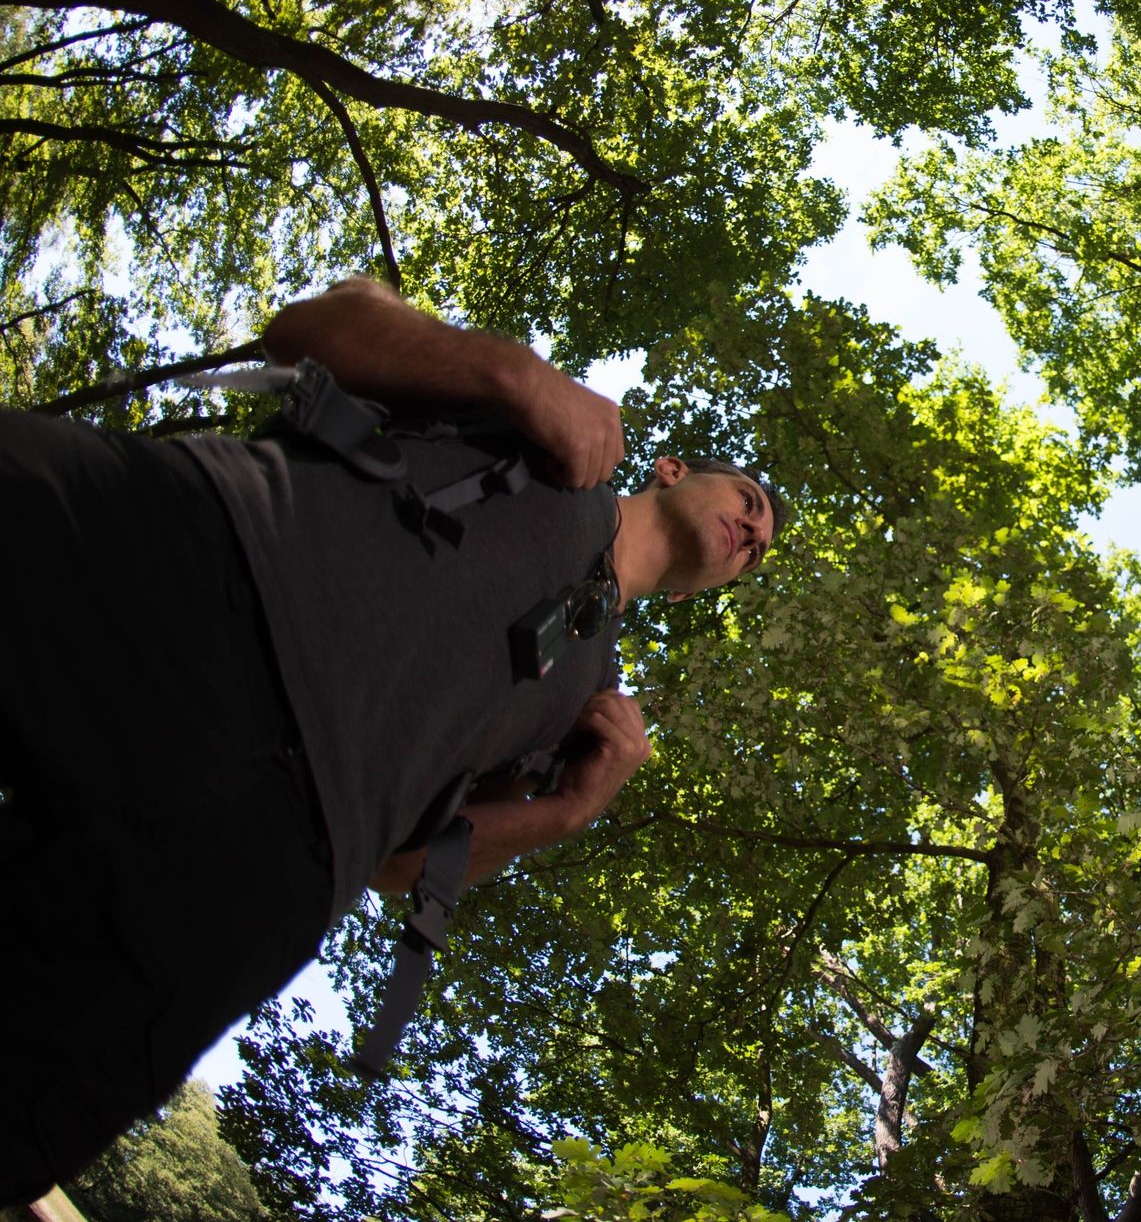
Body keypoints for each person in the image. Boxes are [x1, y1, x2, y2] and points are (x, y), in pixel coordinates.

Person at [0, 277, 783, 1203]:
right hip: (208, 563)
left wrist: (571, 809)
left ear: (701, 592)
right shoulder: (541, 423)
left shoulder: (586, 712)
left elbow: (408, 867)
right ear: (671, 470)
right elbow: (309, 330)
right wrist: (514, 372)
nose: (754, 528)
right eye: (750, 498)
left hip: (273, 856)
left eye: (760, 545)